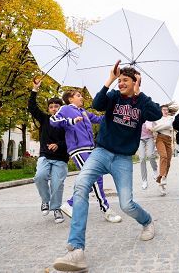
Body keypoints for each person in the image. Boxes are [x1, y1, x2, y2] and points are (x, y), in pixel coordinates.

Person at [53, 64, 162, 271]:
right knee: (81, 186)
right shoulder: (113, 96)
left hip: (123, 159)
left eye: (125, 81)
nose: (121, 83)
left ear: (135, 83)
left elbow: (156, 114)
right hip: (101, 152)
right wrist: (110, 79)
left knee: (126, 204)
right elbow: (97, 103)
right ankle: (76, 251)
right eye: (120, 80)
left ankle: (147, 221)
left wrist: (139, 94)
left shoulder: (142, 103)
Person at [50, 88, 121, 223]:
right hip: (78, 149)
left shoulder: (84, 112)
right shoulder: (65, 109)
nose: (81, 97)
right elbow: (53, 121)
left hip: (90, 149)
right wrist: (71, 122)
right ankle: (106, 209)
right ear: (70, 99)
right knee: (95, 177)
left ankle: (69, 204)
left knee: (89, 179)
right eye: (78, 95)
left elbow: (100, 119)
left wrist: (113, 113)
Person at [28, 79, 69, 223]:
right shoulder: (45, 119)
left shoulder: (66, 123)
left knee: (57, 184)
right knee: (39, 176)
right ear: (48, 109)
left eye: (56, 106)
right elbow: (32, 107)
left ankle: (56, 209)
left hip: (60, 158)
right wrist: (34, 89)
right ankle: (45, 201)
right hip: (45, 156)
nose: (53, 108)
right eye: (51, 106)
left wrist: (58, 144)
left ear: (61, 108)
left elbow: (71, 141)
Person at [152, 105, 174, 196]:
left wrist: (156, 128)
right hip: (160, 138)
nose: (165, 111)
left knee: (168, 162)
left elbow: (169, 125)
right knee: (163, 156)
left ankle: (162, 179)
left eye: (167, 110)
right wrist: (160, 127)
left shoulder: (171, 118)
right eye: (164, 110)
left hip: (169, 140)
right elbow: (153, 128)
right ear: (160, 111)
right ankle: (161, 178)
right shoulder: (157, 119)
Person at [138, 121, 158, 190]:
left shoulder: (149, 116)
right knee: (142, 158)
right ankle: (144, 180)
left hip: (150, 137)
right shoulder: (138, 115)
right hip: (140, 139)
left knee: (150, 155)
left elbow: (156, 126)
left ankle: (155, 170)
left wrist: (152, 128)